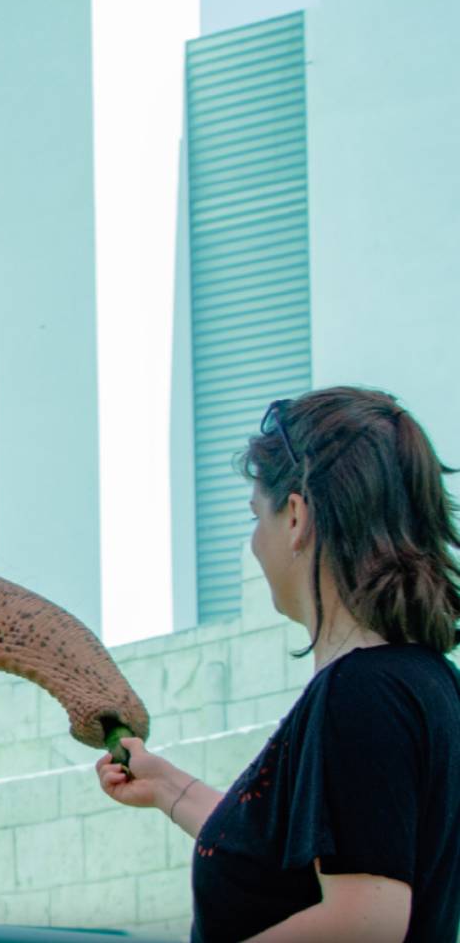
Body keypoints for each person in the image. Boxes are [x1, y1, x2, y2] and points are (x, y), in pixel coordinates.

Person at [96, 387, 460, 942]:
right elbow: (287, 861)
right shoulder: (423, 682)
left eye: (254, 516)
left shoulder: (360, 694)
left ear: (295, 517)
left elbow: (367, 920)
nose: (253, 543)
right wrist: (168, 787)